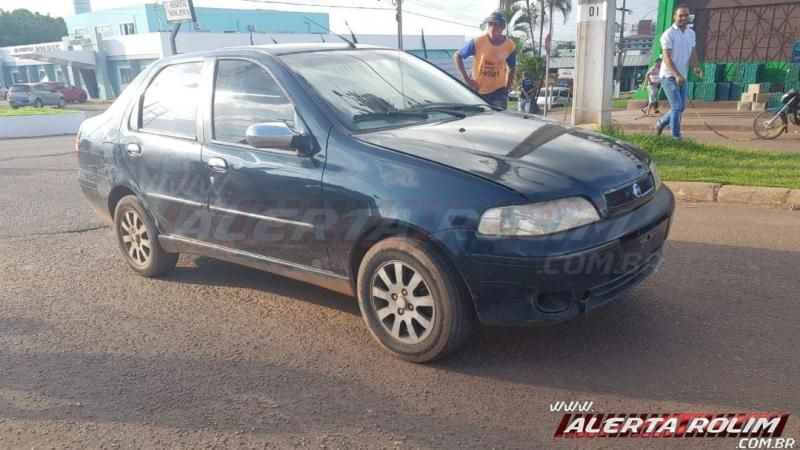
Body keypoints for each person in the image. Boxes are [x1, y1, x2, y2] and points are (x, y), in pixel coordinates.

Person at [654, 4, 703, 139]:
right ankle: (676, 137)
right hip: (669, 76)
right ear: (674, 17)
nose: (683, 18)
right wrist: (676, 74)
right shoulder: (668, 34)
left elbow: (693, 53)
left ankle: (660, 123)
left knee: (681, 107)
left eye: (686, 15)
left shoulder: (691, 33)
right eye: (680, 15)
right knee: (676, 106)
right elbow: (666, 57)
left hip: (683, 76)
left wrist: (696, 67)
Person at [454, 11, 517, 110]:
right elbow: (457, 56)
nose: (492, 28)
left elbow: (512, 67)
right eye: (490, 24)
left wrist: (508, 85)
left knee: (499, 120)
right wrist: (466, 79)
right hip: (477, 90)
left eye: (496, 25)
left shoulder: (509, 45)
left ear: (502, 27)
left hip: (498, 91)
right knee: (479, 121)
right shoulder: (478, 42)